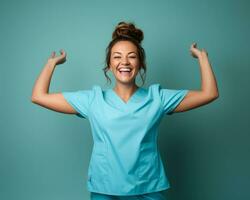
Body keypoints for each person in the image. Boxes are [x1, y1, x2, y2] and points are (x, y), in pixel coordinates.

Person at [31, 21, 219, 200]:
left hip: (148, 189)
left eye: (132, 56)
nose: (125, 62)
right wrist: (51, 64)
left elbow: (209, 93)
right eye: (117, 56)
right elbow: (39, 96)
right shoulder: (93, 100)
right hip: (104, 191)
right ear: (109, 65)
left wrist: (202, 58)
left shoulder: (158, 98)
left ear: (141, 63)